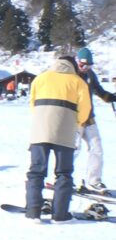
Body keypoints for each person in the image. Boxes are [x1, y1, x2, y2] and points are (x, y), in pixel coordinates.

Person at [25, 56, 90, 223]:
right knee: (64, 173)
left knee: (36, 172)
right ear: (73, 66)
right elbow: (85, 109)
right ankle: (60, 215)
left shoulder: (40, 78)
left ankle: (33, 212)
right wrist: (76, 123)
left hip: (40, 131)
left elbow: (32, 103)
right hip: (65, 132)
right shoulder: (78, 82)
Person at [74, 47, 116, 194]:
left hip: (89, 118)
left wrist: (111, 97)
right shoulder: (70, 75)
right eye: (83, 65)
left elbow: (99, 91)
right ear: (77, 62)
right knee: (73, 149)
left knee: (97, 149)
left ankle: (94, 181)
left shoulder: (90, 75)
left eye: (89, 65)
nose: (85, 68)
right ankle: (62, 178)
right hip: (74, 118)